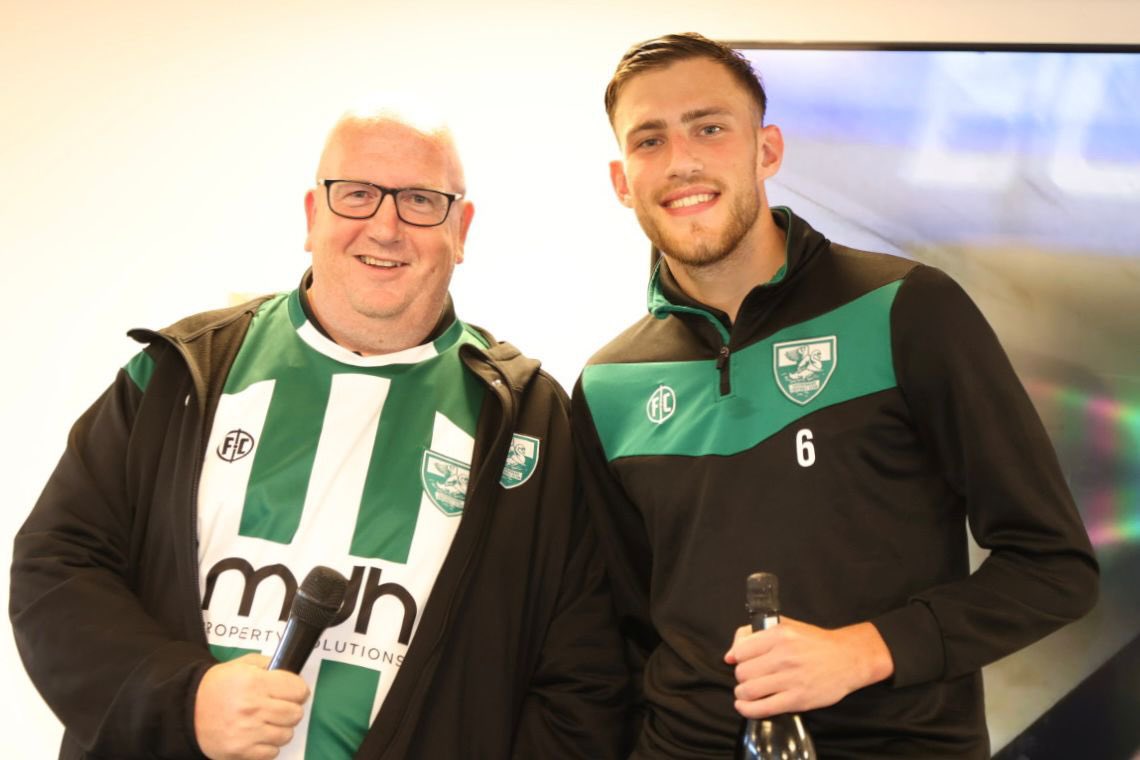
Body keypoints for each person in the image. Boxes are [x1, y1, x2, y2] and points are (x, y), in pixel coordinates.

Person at [11, 103, 629, 759]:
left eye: (421, 201)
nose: (385, 227)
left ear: (461, 229)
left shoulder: (529, 420)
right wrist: (184, 700)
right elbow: (57, 570)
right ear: (313, 216)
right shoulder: (181, 375)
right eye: (356, 194)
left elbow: (581, 679)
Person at [571, 32, 1099, 759]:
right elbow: (621, 634)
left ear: (767, 150)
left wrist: (868, 649)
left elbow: (1054, 569)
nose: (681, 160)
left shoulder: (905, 309)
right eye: (649, 140)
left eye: (710, 128)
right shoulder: (607, 385)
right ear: (621, 180)